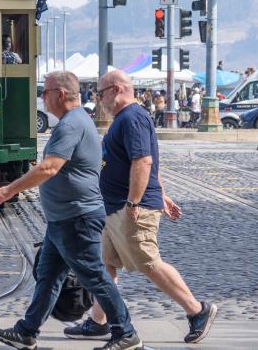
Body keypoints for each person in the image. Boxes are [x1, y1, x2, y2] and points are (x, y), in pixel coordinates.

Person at [0, 70, 140, 350]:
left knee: (94, 276)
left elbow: (49, 167)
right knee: (48, 276)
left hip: (77, 217)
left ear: (59, 94)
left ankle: (126, 332)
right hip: (63, 219)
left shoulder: (71, 124)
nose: (42, 99)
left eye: (44, 93)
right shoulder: (76, 120)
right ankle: (27, 331)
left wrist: (9, 189)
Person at [86, 70, 217, 345]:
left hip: (132, 206)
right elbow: (147, 163)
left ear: (118, 89)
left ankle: (197, 311)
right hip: (116, 206)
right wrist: (164, 195)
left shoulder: (133, 118)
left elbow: (143, 161)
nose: (99, 99)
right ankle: (99, 320)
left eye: (101, 93)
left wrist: (135, 200)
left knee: (148, 262)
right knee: (107, 264)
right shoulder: (123, 119)